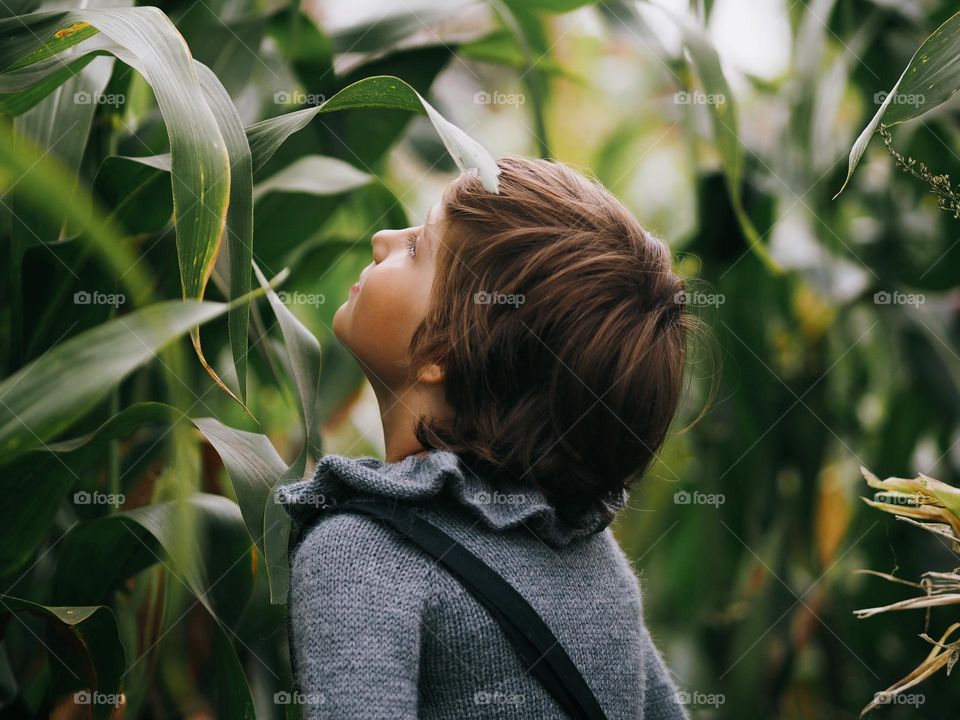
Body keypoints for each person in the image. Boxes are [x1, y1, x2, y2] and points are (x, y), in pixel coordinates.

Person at [279, 157, 696, 719]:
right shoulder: (591, 558)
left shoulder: (360, 556)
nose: (381, 239)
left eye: (416, 248)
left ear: (439, 352)